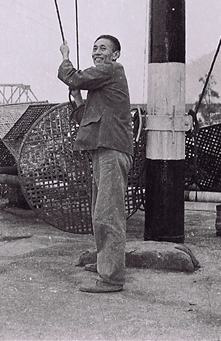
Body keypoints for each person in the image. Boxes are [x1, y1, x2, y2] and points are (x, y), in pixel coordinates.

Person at [58, 35, 134, 293]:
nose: (97, 52)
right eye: (95, 48)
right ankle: (106, 263)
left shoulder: (112, 70)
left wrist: (65, 56)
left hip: (112, 151)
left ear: (115, 55)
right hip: (104, 151)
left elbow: (72, 76)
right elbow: (87, 119)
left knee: (108, 215)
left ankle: (111, 278)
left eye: (103, 48)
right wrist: (78, 98)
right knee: (100, 213)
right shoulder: (103, 82)